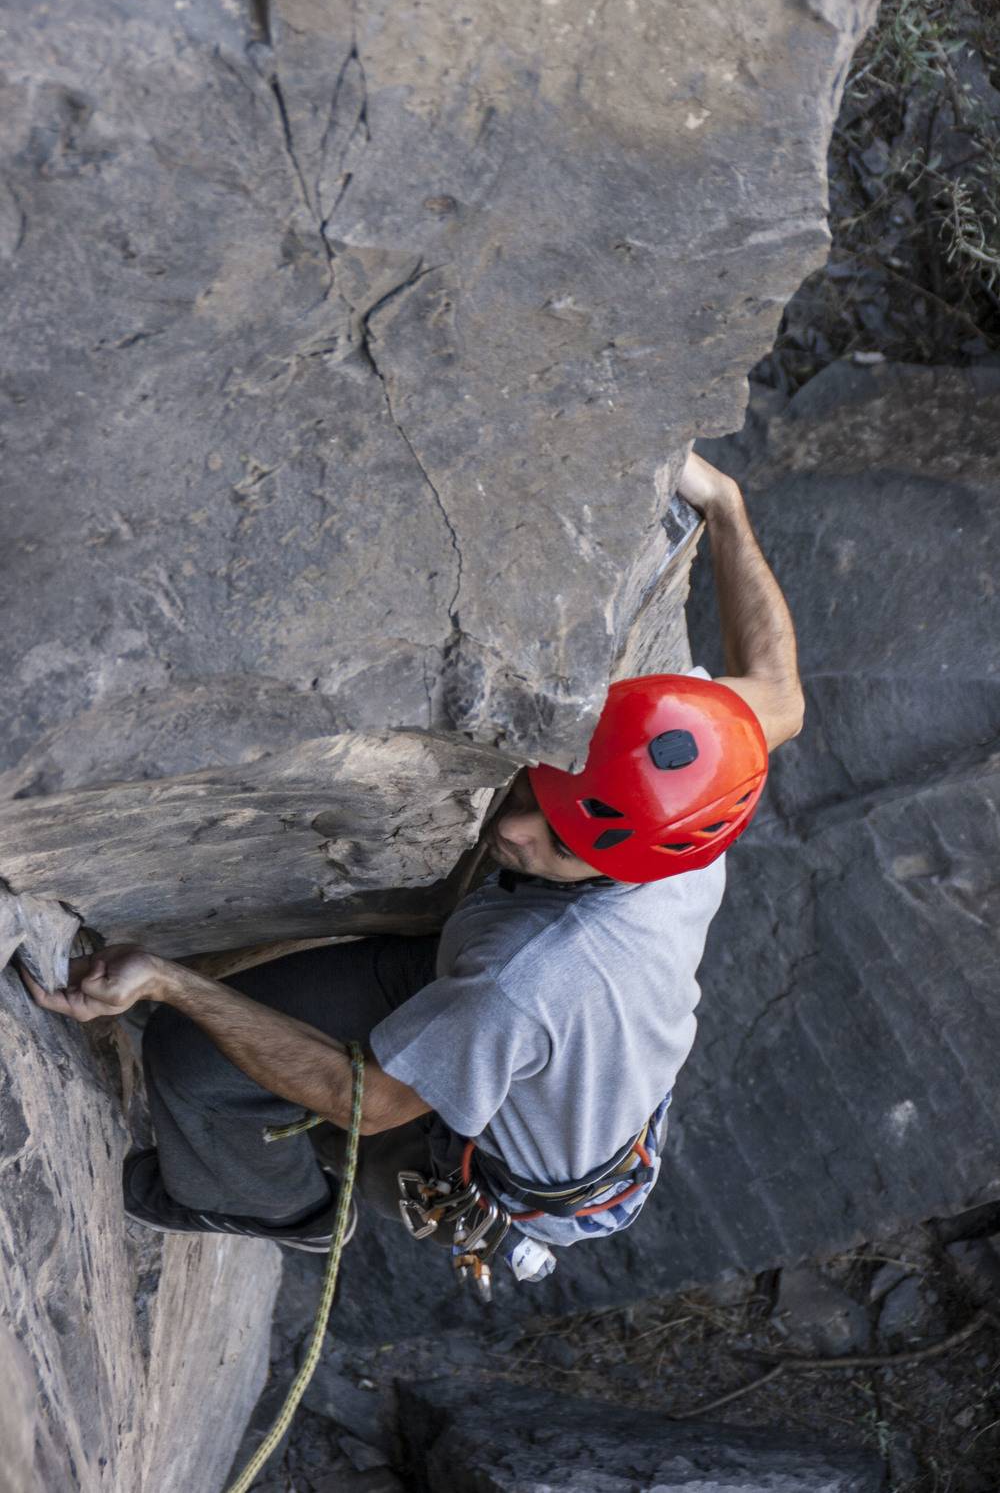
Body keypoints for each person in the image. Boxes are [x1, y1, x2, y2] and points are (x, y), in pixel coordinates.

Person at [20, 450, 803, 1283]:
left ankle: (273, 1207)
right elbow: (780, 697)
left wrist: (169, 983)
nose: (514, 827)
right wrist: (725, 504)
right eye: (540, 789)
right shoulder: (680, 766)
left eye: (560, 842)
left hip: (530, 1154)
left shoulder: (523, 982)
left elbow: (366, 1099)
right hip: (583, 1069)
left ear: (623, 862)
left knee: (189, 1055)